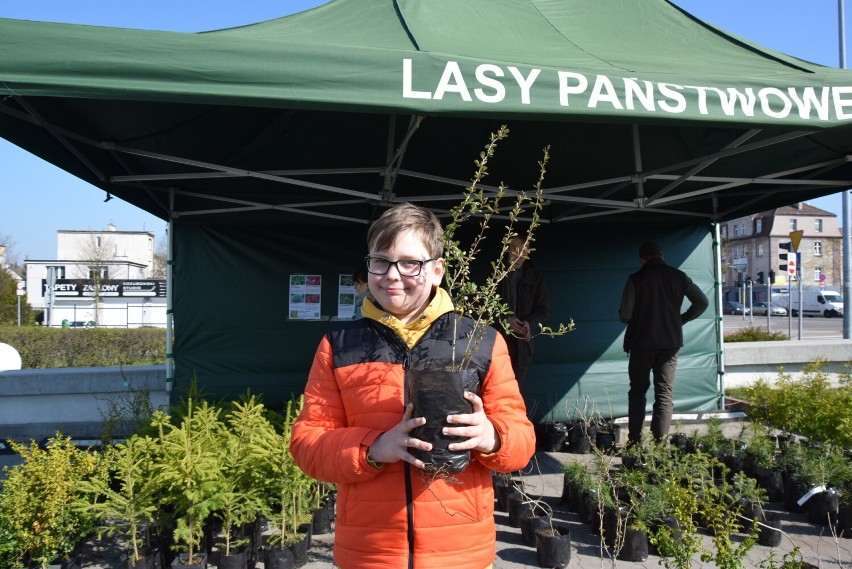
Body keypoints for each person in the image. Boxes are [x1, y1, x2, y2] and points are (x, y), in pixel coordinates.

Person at [290, 203, 535, 569]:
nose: (392, 275)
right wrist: (374, 448)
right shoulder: (340, 346)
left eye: (410, 263)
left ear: (437, 270)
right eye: (381, 261)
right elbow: (307, 443)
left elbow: (523, 441)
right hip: (369, 553)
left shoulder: (480, 343)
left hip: (459, 551)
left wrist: (492, 437)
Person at [618, 241, 709, 446]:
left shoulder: (635, 279)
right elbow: (702, 302)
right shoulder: (679, 277)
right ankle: (658, 447)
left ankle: (634, 442)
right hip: (670, 344)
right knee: (664, 393)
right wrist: (681, 319)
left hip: (641, 343)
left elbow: (625, 315)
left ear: (642, 259)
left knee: (638, 391)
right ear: (662, 256)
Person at [497, 232, 549, 388]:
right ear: (507, 248)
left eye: (524, 251)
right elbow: (479, 310)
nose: (519, 255)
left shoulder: (535, 277)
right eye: (515, 249)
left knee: (515, 395)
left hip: (521, 349)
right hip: (495, 346)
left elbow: (543, 310)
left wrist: (528, 324)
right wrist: (505, 321)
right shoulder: (493, 275)